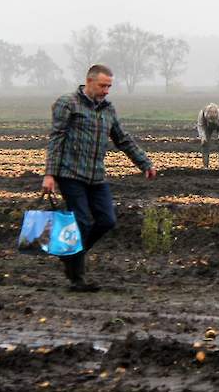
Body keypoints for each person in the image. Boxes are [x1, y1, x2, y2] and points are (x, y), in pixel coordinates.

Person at [42, 64, 157, 292]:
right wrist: (49, 174)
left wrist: (144, 162)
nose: (106, 90)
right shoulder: (68, 103)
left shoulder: (108, 109)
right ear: (89, 81)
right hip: (70, 174)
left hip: (96, 175)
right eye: (103, 85)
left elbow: (122, 139)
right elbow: (56, 139)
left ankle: (70, 256)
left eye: (109, 86)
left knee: (107, 221)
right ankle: (77, 278)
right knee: (82, 222)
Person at [197, 103, 219, 168]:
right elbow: (200, 126)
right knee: (205, 144)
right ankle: (205, 166)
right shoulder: (202, 113)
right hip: (206, 127)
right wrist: (203, 137)